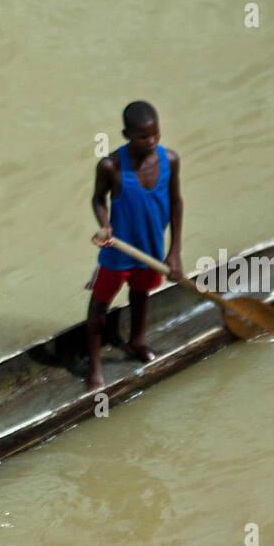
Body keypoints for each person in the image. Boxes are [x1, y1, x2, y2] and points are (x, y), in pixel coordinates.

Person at [85, 101, 184, 389]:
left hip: (151, 247)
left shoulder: (171, 160)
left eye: (156, 134)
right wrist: (105, 225)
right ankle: (94, 366)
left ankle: (136, 342)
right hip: (118, 251)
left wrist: (174, 251)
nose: (151, 141)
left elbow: (176, 202)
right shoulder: (110, 166)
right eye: (143, 137)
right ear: (126, 133)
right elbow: (97, 199)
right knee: (100, 305)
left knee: (141, 295)